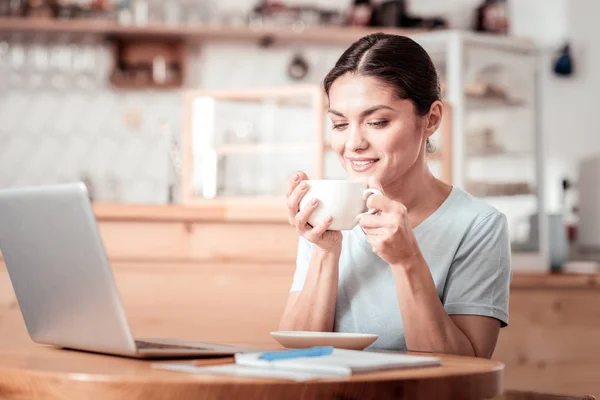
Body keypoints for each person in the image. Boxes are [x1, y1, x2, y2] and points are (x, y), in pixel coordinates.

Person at [279, 33, 511, 358]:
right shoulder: (325, 216)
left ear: (431, 120)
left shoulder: (479, 225)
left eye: (377, 122)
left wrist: (406, 261)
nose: (354, 143)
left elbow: (464, 371)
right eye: (340, 124)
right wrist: (325, 250)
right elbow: (297, 353)